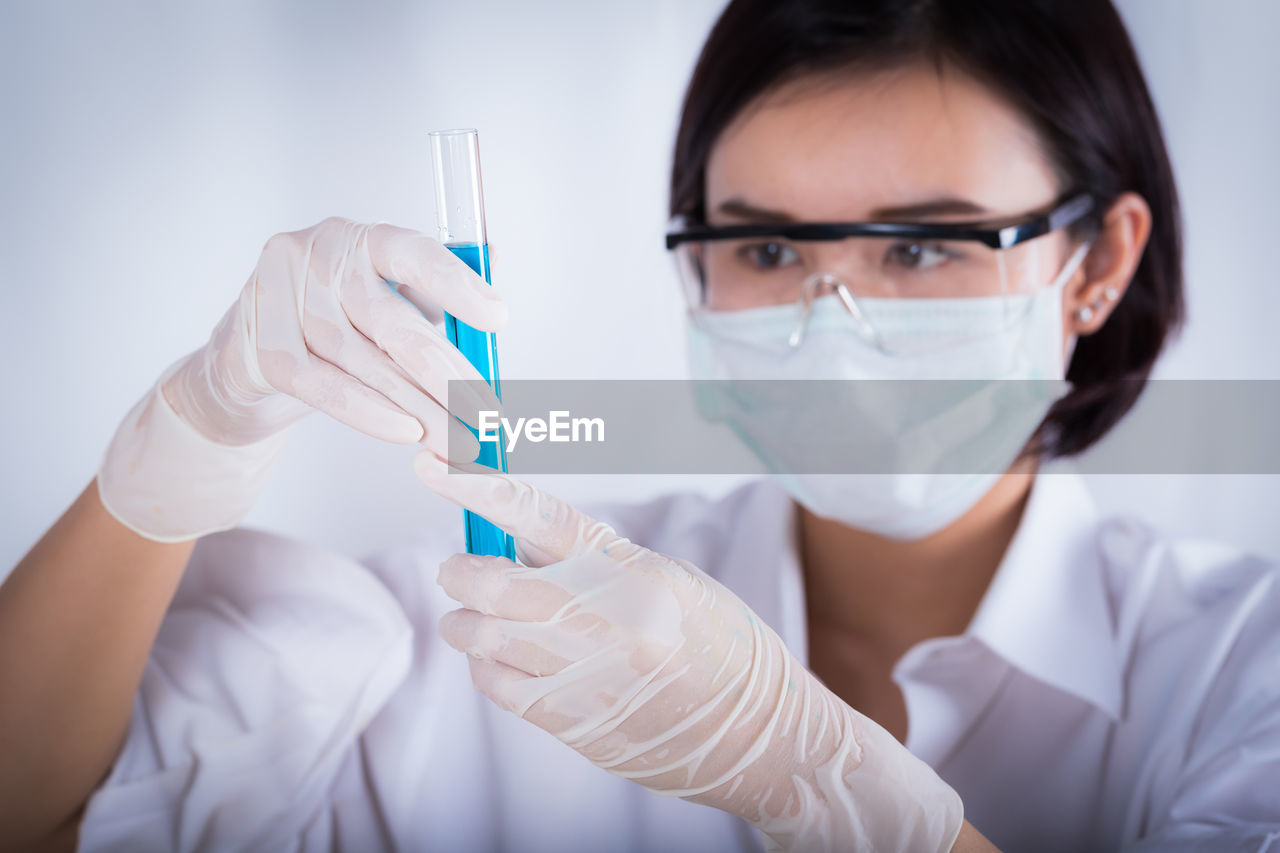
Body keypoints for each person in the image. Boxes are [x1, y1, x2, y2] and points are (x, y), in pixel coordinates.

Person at [2, 0, 1278, 850]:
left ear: (1098, 261)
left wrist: (815, 783)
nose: (830, 326)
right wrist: (179, 444)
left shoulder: (1237, 670)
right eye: (767, 245)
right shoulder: (504, 622)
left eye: (921, 246)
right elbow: (34, 811)